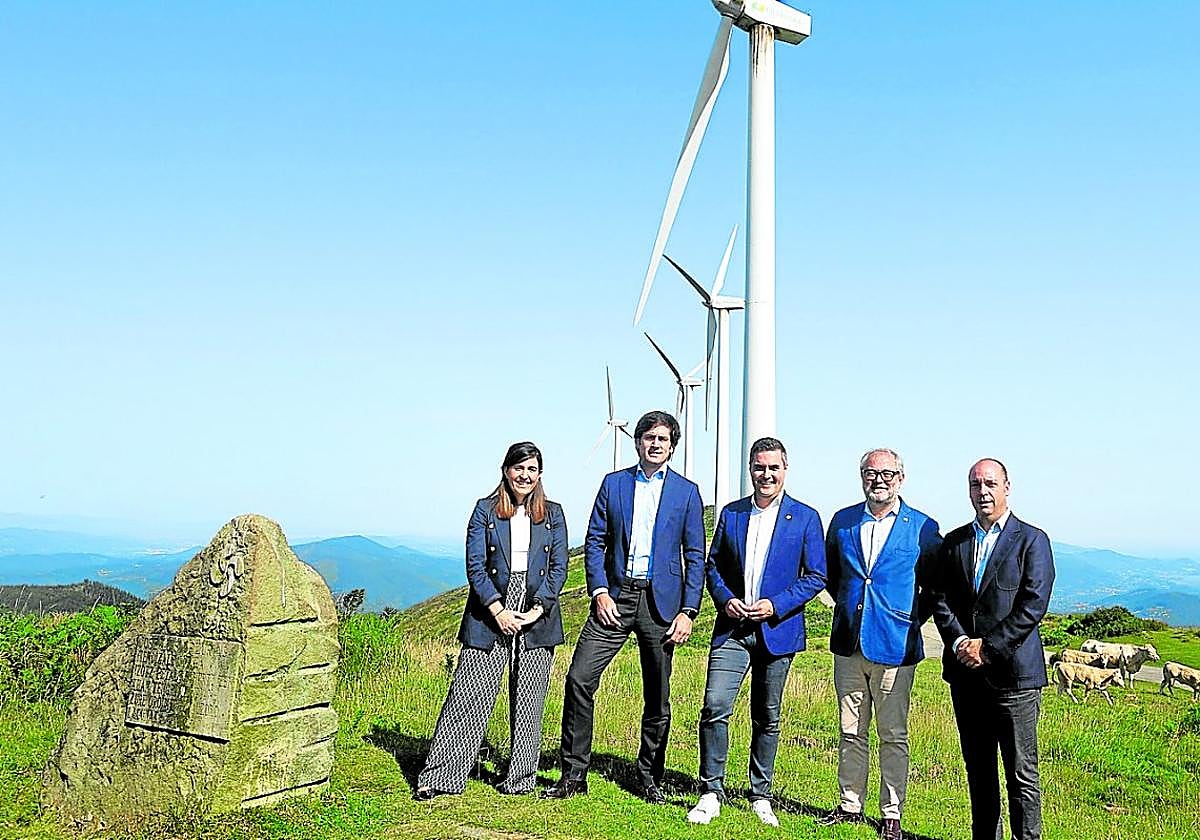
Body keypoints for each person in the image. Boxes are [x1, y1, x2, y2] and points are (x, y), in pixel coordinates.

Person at [543, 410, 705, 803]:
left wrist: (688, 610)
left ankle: (649, 776)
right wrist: (598, 591)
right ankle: (573, 774)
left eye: (662, 439)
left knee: (658, 695)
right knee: (579, 678)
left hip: (661, 603)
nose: (655, 444)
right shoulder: (614, 484)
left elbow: (696, 554)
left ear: (672, 446)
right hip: (614, 598)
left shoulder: (687, 492)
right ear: (636, 442)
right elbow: (595, 540)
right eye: (648, 437)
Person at [414, 441, 568, 800]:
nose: (524, 475)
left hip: (537, 608)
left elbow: (559, 568)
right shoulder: (485, 510)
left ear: (540, 475)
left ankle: (520, 779)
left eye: (532, 469)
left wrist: (536, 609)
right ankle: (441, 776)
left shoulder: (554, 513)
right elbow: (475, 566)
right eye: (519, 468)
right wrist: (497, 610)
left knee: (530, 697)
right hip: (489, 609)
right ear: (505, 470)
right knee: (469, 694)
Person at [686, 437, 827, 828]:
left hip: (777, 631)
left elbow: (816, 575)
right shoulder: (731, 514)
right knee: (715, 706)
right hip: (732, 629)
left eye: (773, 468)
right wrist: (725, 599)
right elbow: (712, 567)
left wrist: (776, 605)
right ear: (750, 469)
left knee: (767, 716)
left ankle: (760, 795)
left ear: (785, 469)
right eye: (759, 467)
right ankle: (711, 790)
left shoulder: (805, 517)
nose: (766, 474)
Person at [928, 458, 1054, 840]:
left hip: (1014, 676)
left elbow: (1033, 604)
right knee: (979, 769)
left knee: (1021, 773)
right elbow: (940, 598)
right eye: (975, 484)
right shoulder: (955, 542)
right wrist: (962, 642)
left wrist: (988, 647)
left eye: (990, 484)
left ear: (1007, 486)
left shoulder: (1032, 540)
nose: (982, 492)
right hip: (966, 677)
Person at [820, 448, 942, 840]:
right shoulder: (843, 521)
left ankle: (892, 814)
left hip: (896, 645)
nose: (879, 480)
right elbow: (832, 575)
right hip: (849, 641)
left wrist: (909, 620)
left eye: (887, 474)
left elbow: (934, 586)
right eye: (871, 473)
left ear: (901, 478)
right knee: (850, 729)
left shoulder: (922, 527)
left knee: (893, 734)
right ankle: (849, 805)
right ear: (861, 477)